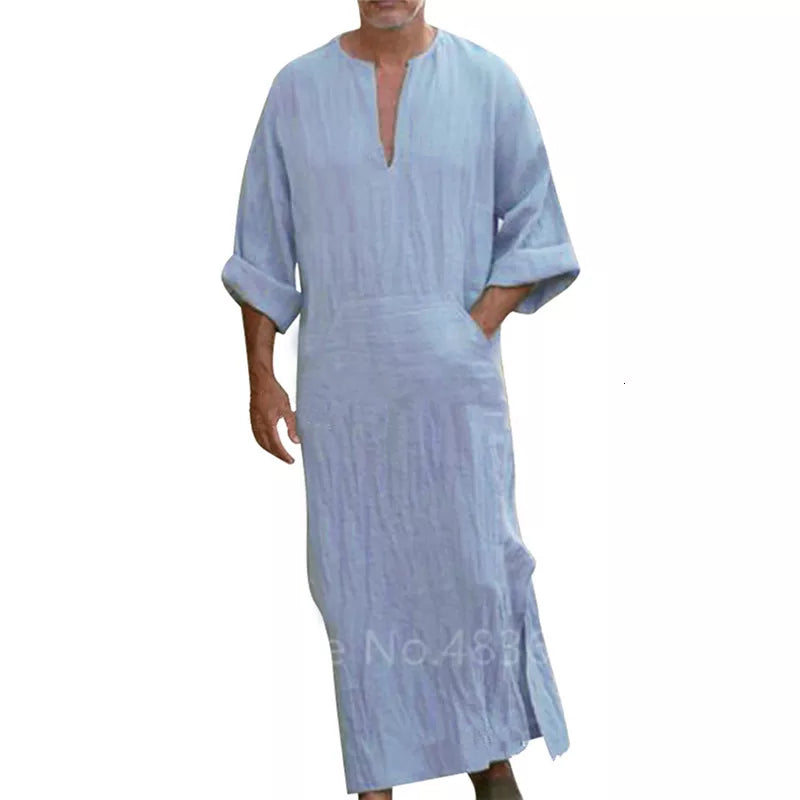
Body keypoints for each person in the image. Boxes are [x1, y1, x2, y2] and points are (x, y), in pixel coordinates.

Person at [221, 2, 580, 798]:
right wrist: (261, 376)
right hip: (347, 411)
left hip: (455, 409)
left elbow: (537, 225)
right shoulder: (296, 93)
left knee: (476, 584)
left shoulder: (488, 85)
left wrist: (466, 329)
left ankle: (492, 766)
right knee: (361, 598)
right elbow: (262, 246)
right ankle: (377, 785)